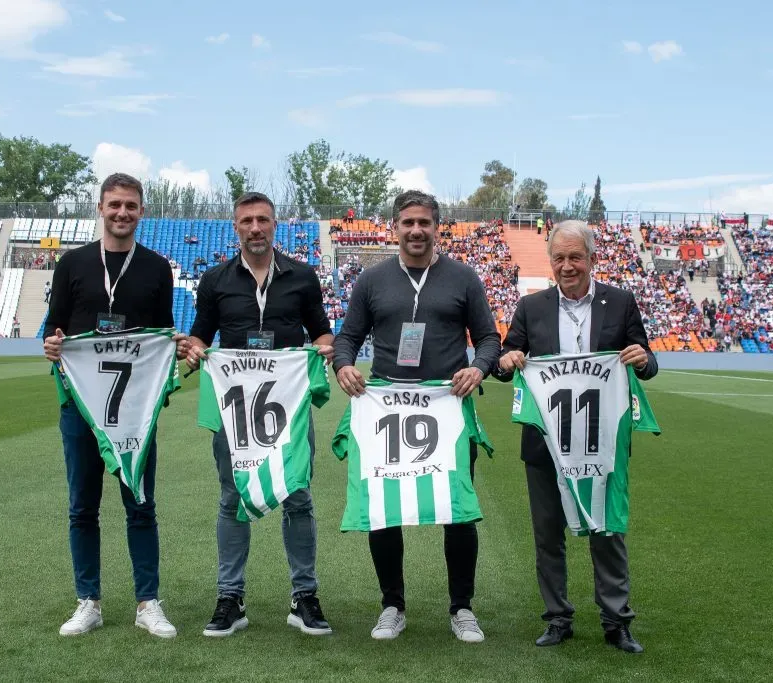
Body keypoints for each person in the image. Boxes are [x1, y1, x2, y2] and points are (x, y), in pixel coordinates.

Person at [333, 189, 501, 643]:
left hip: (446, 407)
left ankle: (462, 608)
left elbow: (488, 339)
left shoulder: (463, 278)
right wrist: (344, 365)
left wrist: (478, 367)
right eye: (407, 222)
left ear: (436, 227)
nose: (416, 230)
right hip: (386, 410)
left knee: (458, 511)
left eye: (424, 222)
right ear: (394, 227)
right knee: (385, 512)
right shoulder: (372, 280)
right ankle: (392, 605)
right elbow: (347, 338)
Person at [491, 220, 657, 654]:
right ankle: (558, 617)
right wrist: (509, 359)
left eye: (575, 257)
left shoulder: (620, 303)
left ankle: (616, 620)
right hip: (545, 441)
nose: (567, 266)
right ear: (550, 262)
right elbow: (508, 356)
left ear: (592, 259)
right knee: (548, 534)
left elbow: (647, 362)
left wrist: (642, 358)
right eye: (559, 258)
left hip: (600, 442)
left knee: (607, 528)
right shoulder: (532, 306)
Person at [42, 172, 190, 639]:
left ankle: (148, 602)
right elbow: (54, 327)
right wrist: (51, 343)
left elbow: (162, 334)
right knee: (82, 508)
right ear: (101, 208)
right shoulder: (72, 264)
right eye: (114, 205)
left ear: (141, 211)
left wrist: (175, 346)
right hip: (82, 407)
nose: (122, 213)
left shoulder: (156, 268)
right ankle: (89, 601)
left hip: (133, 413)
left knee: (140, 504)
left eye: (130, 205)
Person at [184, 191, 336, 638]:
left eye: (263, 220)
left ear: (275, 225)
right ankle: (230, 597)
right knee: (232, 499)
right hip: (236, 414)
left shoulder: (303, 277)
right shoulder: (214, 280)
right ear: (236, 227)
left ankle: (304, 596)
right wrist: (193, 351)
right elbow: (200, 337)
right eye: (247, 220)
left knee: (298, 497)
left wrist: (321, 350)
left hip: (288, 411)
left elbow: (323, 333)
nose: (255, 227)